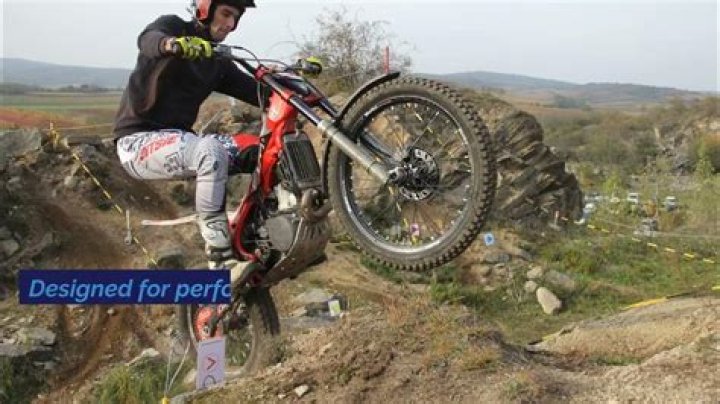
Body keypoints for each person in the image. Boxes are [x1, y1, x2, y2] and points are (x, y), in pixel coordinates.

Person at [112, 0, 261, 285]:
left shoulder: (216, 61)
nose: (230, 25)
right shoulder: (173, 27)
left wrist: (296, 86)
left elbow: (257, 92)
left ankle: (257, 237)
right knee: (211, 150)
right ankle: (220, 258)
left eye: (236, 18)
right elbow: (148, 40)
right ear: (205, 9)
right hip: (137, 142)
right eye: (226, 14)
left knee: (261, 151)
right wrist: (173, 45)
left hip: (181, 142)